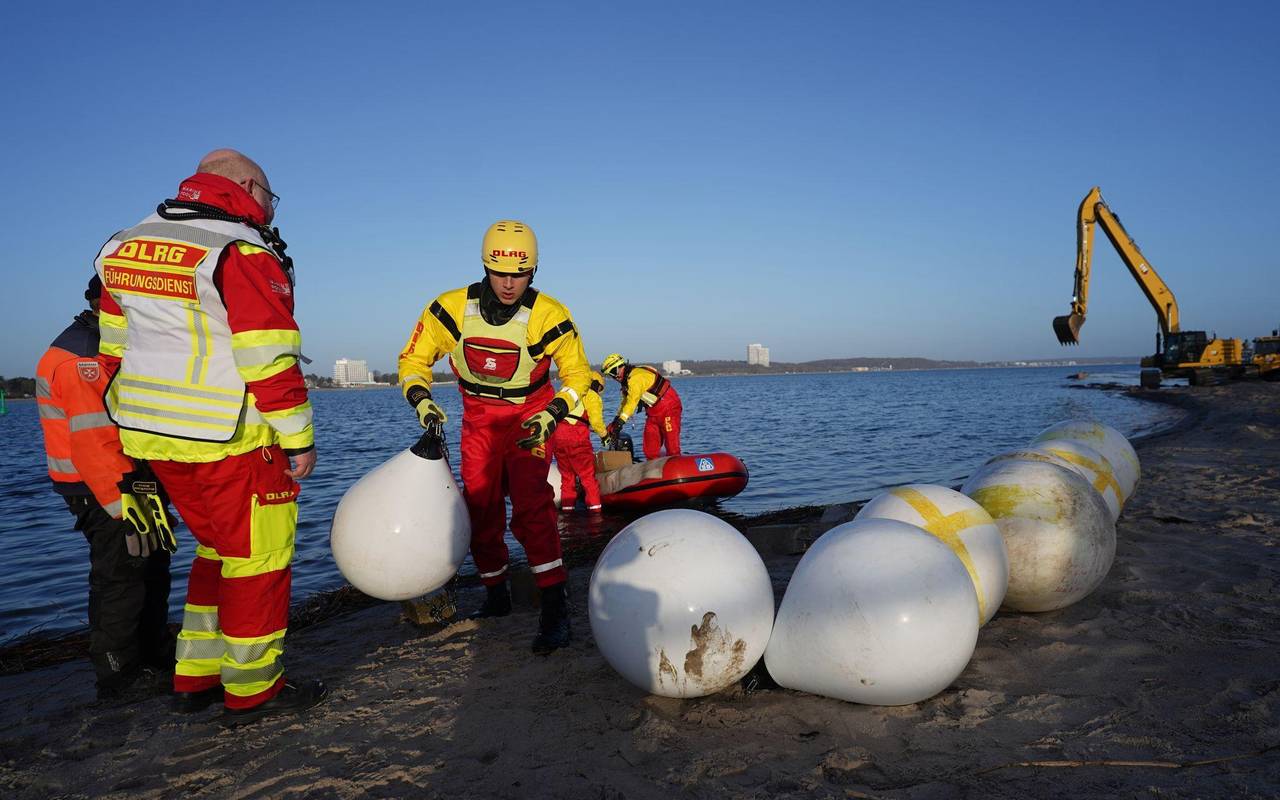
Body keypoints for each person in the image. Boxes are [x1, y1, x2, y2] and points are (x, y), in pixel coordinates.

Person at [94, 149, 327, 724]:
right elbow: (268, 356)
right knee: (259, 561)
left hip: (154, 436)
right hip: (232, 438)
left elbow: (111, 348)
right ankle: (253, 690)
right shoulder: (239, 250)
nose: (272, 211)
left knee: (216, 551)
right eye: (270, 198)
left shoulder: (123, 245)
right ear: (248, 186)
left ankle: (194, 676)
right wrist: (298, 438)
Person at [398, 220, 591, 654]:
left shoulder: (550, 315)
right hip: (478, 419)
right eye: (499, 272)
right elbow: (414, 358)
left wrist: (555, 412)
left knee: (532, 508)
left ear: (533, 272)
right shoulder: (448, 309)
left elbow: (579, 373)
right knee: (481, 507)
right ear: (485, 267)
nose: (508, 284)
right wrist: (420, 398)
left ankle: (555, 607)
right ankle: (496, 595)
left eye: (519, 274)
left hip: (530, 419)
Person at [36, 275, 175, 699]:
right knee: (122, 574)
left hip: (130, 479)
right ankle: (119, 672)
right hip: (105, 486)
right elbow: (94, 439)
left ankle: (153, 654)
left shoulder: (103, 346)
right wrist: (121, 505)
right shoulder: (82, 357)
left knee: (151, 568)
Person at [601, 353, 683, 459]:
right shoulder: (627, 382)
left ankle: (676, 464)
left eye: (613, 372)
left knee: (672, 445)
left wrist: (621, 422)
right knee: (650, 447)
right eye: (610, 375)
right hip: (653, 412)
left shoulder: (635, 378)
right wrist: (616, 421)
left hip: (669, 406)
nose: (613, 377)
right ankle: (652, 470)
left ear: (621, 366)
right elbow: (625, 403)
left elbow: (632, 402)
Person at [550, 371, 607, 512]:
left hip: (557, 438)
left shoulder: (566, 391)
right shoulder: (591, 395)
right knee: (587, 478)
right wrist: (604, 436)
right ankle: (595, 513)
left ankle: (568, 511)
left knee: (567, 478)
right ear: (596, 384)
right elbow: (596, 422)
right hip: (577, 439)